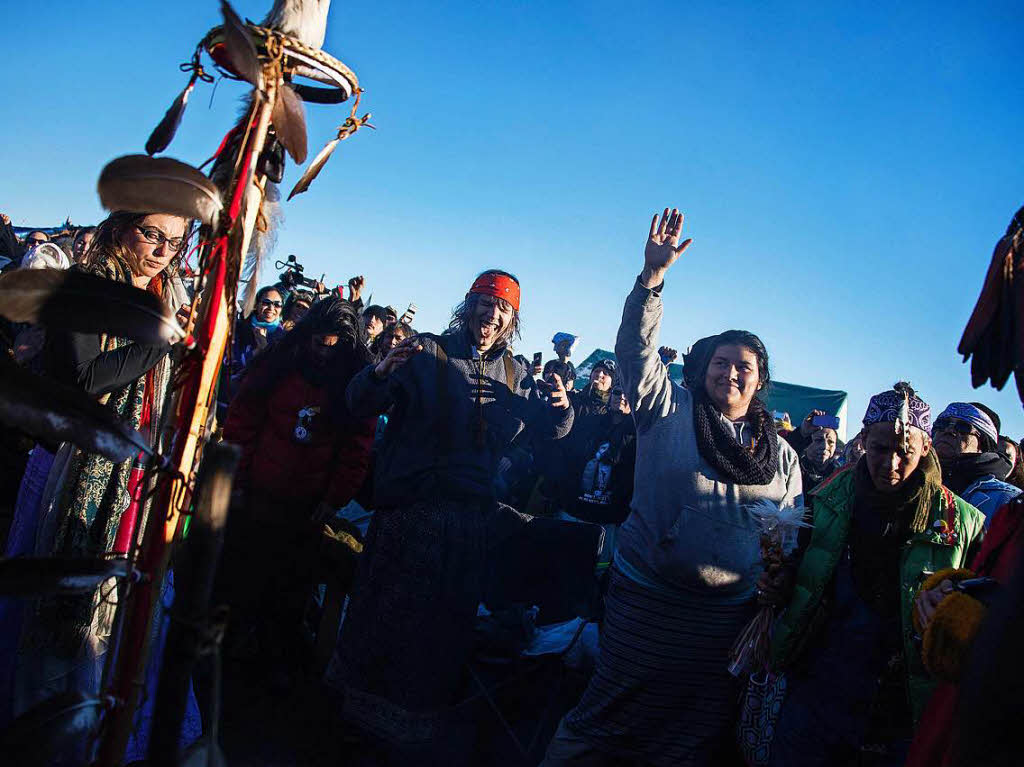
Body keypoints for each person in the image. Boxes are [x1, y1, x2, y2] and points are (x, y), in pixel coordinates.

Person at [543, 208, 802, 767]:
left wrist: (773, 587)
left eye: (745, 368)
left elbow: (788, 535)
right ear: (704, 367)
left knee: (688, 738)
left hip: (721, 623)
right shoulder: (669, 408)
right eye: (721, 362)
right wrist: (651, 282)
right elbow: (635, 353)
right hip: (648, 602)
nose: (730, 373)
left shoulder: (780, 455)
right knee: (604, 721)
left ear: (759, 382)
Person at [327, 269, 573, 762]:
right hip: (409, 515)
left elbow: (550, 436)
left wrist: (563, 411)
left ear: (512, 320)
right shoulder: (426, 352)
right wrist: (378, 373)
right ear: (468, 306)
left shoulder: (518, 375)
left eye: (502, 308)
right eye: (484, 303)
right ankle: (344, 729)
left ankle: (410, 737)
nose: (492, 314)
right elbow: (357, 403)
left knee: (438, 638)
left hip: (468, 525)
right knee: (381, 624)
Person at [6, 211, 197, 758]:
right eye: (152, 234)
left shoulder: (166, 295)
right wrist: (164, 338)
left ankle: (115, 727)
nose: (162, 250)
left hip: (137, 477)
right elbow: (84, 380)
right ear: (119, 229)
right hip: (72, 470)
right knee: (62, 614)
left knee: (124, 611)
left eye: (175, 241)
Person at [766, 383, 985, 767]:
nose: (892, 464)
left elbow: (983, 610)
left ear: (926, 450)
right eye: (881, 449)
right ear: (864, 440)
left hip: (900, 709)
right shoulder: (823, 502)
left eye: (906, 452)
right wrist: (777, 582)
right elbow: (798, 577)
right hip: (819, 688)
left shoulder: (964, 524)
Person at [221, 297, 377, 682]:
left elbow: (358, 446)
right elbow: (242, 421)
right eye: (318, 343)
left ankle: (273, 665)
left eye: (333, 346)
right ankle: (227, 657)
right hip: (258, 492)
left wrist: (335, 497)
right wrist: (237, 481)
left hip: (308, 506)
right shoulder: (279, 362)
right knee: (242, 578)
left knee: (289, 589)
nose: (324, 354)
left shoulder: (357, 379)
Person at [931, 402, 1019, 524]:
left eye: (963, 427)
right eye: (942, 424)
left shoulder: (1008, 501)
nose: (949, 429)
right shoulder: (909, 479)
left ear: (983, 445)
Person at [799, 425, 839, 493]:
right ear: (807, 444)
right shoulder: (795, 468)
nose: (824, 446)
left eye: (830, 442)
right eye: (818, 440)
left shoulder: (840, 475)